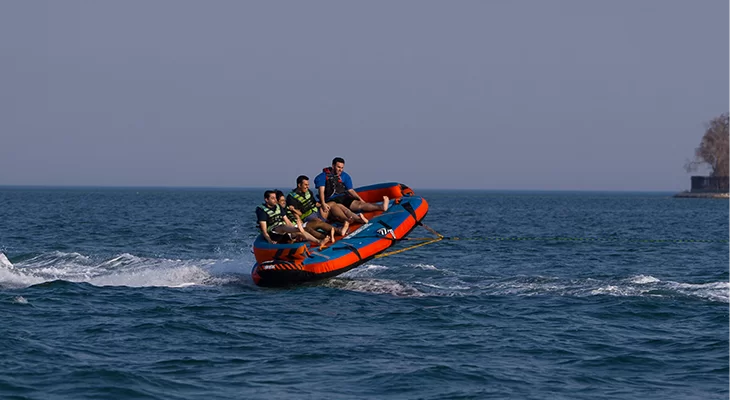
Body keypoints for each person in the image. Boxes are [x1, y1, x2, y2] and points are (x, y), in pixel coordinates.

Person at [285, 175, 363, 237]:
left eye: (308, 185)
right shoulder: (291, 197)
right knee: (318, 221)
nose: (307, 186)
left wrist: (324, 205)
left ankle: (347, 220)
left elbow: (315, 203)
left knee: (332, 204)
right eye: (305, 185)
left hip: (317, 211)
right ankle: (338, 230)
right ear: (299, 185)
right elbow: (296, 213)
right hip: (307, 217)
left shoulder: (309, 192)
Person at [314, 157, 389, 215]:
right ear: (333, 166)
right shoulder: (322, 177)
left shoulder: (345, 176)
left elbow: (350, 190)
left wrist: (360, 199)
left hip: (343, 197)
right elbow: (321, 191)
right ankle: (354, 219)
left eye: (342, 168)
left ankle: (381, 207)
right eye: (338, 167)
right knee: (343, 209)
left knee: (359, 204)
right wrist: (323, 203)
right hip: (331, 200)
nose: (340, 169)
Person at [256, 190, 327, 247]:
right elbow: (264, 230)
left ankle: (319, 241)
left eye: (275, 198)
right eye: (272, 198)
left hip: (284, 231)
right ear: (266, 199)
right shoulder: (262, 211)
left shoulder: (278, 207)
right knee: (282, 226)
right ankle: (298, 229)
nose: (275, 200)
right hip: (273, 233)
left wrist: (293, 229)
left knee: (298, 232)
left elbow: (287, 221)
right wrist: (270, 241)